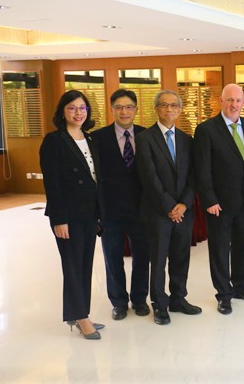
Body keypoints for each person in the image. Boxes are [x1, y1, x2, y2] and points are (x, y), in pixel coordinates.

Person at [194, 84, 244, 315]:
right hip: (219, 204)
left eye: (238, 100)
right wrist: (209, 199)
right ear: (220, 101)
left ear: (243, 102)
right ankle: (224, 294)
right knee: (220, 249)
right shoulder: (206, 130)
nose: (234, 105)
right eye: (229, 100)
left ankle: (241, 287)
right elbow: (202, 170)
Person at [40, 90, 103, 340]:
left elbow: (96, 178)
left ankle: (81, 313)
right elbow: (52, 184)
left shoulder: (90, 138)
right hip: (68, 215)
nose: (78, 113)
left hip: (90, 213)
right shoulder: (54, 141)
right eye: (72, 108)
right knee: (73, 266)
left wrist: (99, 214)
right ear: (63, 112)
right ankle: (81, 317)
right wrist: (59, 219)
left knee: (85, 264)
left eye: (82, 108)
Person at [136, 90, 200, 325]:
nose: (169, 109)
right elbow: (149, 178)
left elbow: (193, 176)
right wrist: (170, 207)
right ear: (156, 109)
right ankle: (159, 305)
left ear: (180, 110)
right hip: (157, 211)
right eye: (164, 105)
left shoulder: (187, 139)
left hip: (184, 211)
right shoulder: (144, 138)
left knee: (181, 256)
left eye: (174, 105)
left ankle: (178, 299)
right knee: (159, 259)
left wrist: (183, 204)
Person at [92, 89, 150, 321]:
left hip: (142, 209)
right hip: (110, 210)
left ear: (136, 109)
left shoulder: (147, 135)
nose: (124, 111)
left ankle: (139, 299)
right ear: (112, 109)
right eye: (119, 107)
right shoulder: (97, 138)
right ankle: (118, 302)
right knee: (112, 256)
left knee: (142, 256)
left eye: (129, 107)